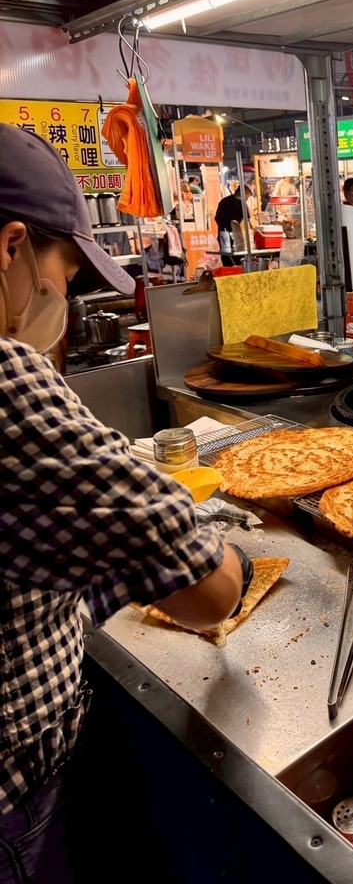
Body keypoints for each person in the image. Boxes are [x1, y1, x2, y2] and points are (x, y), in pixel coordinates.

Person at [0, 124, 254, 880]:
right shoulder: (8, 382)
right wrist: (233, 550)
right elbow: (211, 592)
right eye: (67, 272)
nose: (66, 299)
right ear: (10, 247)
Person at [214, 188, 248, 266]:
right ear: (245, 192)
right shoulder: (241, 203)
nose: (247, 198)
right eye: (248, 196)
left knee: (227, 260)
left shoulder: (224, 201)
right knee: (239, 262)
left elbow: (217, 218)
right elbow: (246, 222)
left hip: (223, 235)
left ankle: (228, 275)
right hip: (239, 239)